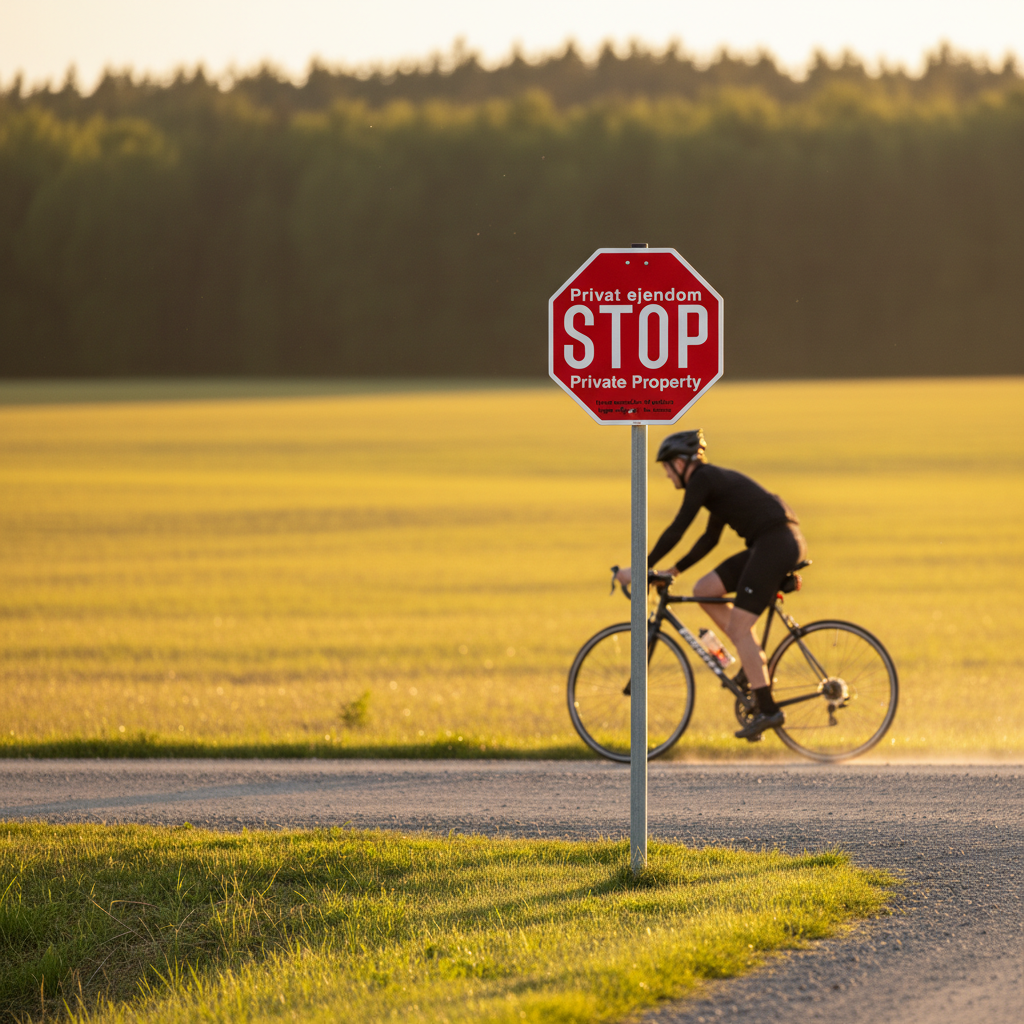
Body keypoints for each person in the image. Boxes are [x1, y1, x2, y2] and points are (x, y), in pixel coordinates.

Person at [615, 428, 806, 739]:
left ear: (681, 462)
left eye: (666, 466)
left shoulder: (703, 479)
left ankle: (769, 710)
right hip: (774, 543)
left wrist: (640, 569)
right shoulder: (714, 485)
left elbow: (679, 527)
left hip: (776, 544)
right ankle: (751, 661)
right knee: (704, 590)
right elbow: (709, 539)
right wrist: (673, 571)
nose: (666, 475)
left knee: (741, 628)